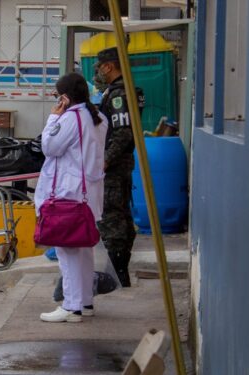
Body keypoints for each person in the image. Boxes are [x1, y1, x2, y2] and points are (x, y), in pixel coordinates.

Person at [37, 73, 108, 323]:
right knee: (84, 250)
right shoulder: (99, 118)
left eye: (58, 97)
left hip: (70, 194)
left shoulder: (70, 119)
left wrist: (52, 118)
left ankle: (71, 306)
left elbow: (49, 147)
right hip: (90, 193)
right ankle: (85, 301)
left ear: (65, 98)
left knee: (67, 252)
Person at [94, 47, 145, 287]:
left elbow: (123, 132)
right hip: (119, 163)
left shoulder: (119, 94)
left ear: (109, 66)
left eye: (99, 67)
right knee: (120, 215)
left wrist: (106, 159)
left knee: (111, 217)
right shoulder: (119, 91)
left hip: (114, 166)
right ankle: (119, 270)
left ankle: (116, 271)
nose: (98, 72)